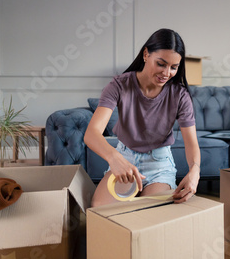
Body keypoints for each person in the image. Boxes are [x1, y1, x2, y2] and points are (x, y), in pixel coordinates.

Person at [84, 28, 201, 207]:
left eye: (174, 67)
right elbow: (91, 134)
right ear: (146, 54)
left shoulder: (180, 95)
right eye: (161, 64)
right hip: (124, 158)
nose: (166, 73)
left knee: (150, 216)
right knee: (102, 213)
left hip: (159, 165)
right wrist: (114, 158)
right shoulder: (119, 85)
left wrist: (195, 170)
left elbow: (191, 143)